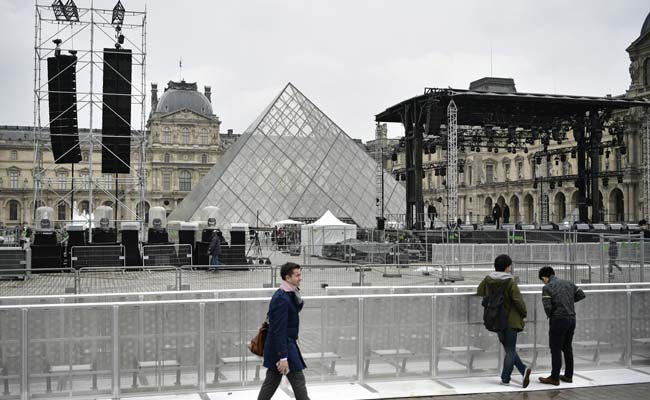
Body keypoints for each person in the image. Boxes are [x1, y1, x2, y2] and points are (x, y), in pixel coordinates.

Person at [477, 254, 532, 387]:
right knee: (511, 350)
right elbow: (518, 300)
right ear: (507, 268)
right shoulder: (510, 281)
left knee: (508, 349)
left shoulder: (488, 279)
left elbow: (479, 291)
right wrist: (524, 313)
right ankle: (508, 377)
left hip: (495, 318)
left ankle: (520, 372)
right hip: (511, 320)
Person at [258, 262, 309, 400]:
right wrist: (283, 357)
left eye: (300, 274)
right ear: (287, 277)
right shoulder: (282, 298)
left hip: (283, 346)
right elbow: (278, 330)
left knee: (272, 381)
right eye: (297, 275)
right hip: (283, 347)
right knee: (298, 381)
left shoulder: (291, 294)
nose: (300, 278)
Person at [538, 266, 586, 386]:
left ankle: (554, 378)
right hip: (571, 318)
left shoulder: (547, 287)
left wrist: (553, 314)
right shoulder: (569, 283)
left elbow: (548, 307)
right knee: (567, 347)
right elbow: (581, 294)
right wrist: (567, 302)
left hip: (558, 320)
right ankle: (569, 376)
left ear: (545, 277)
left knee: (555, 349)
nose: (543, 281)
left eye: (542, 279)